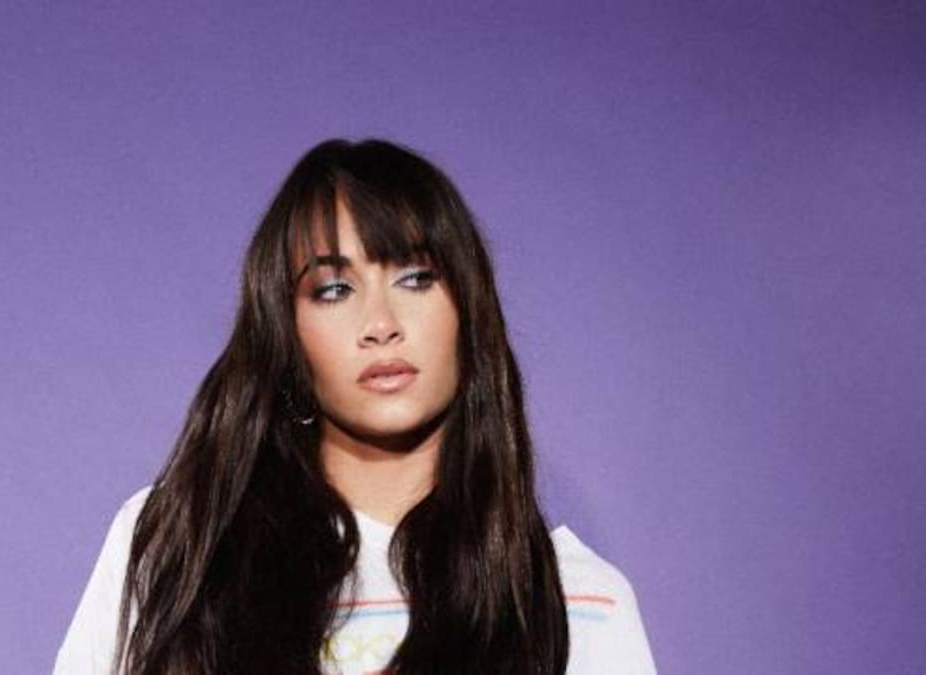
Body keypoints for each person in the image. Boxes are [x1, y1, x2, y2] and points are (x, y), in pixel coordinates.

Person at [54, 139, 656, 674]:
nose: (381, 324)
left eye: (416, 277)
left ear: (468, 310)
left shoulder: (581, 602)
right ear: (287, 333)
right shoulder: (178, 549)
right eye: (334, 289)